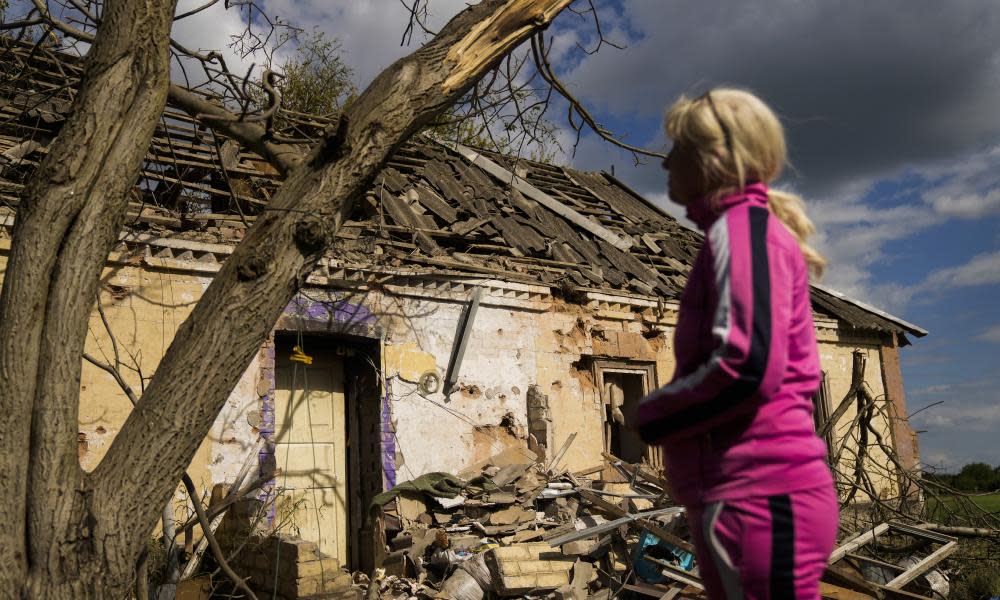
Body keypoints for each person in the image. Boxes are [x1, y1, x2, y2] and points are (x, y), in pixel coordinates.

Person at [629, 88, 838, 600]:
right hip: (748, 495)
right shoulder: (737, 233)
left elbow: (749, 365)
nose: (664, 160)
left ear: (714, 159)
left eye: (677, 147)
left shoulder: (742, 233)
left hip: (760, 494)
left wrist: (654, 415)